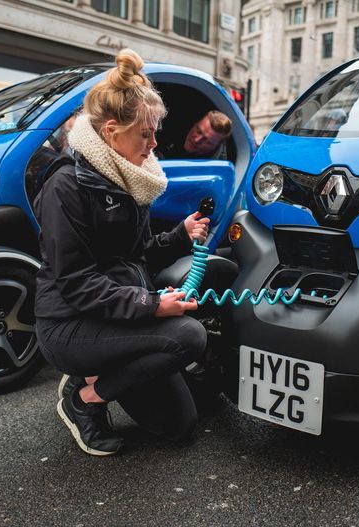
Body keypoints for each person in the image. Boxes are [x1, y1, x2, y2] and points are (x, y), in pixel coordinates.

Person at [33, 48, 211, 456]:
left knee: (177, 426)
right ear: (112, 131)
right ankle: (83, 401)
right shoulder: (66, 186)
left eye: (154, 133)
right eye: (145, 134)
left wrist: (180, 237)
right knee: (188, 335)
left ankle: (96, 375)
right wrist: (151, 305)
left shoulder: (127, 175)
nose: (153, 144)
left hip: (117, 312)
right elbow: (76, 283)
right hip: (69, 322)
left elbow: (139, 254)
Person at [156, 110, 232, 160]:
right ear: (195, 124)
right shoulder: (171, 128)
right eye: (198, 131)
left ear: (216, 146)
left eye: (207, 141)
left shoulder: (216, 170)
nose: (196, 140)